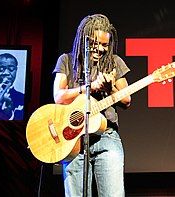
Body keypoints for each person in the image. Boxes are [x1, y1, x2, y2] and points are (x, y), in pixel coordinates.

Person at [52, 14, 131, 197]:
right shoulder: (66, 61)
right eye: (96, 43)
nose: (101, 49)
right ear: (83, 39)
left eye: (105, 44)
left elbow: (126, 101)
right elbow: (59, 96)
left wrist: (110, 89)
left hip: (106, 137)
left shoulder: (114, 62)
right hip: (73, 140)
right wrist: (89, 87)